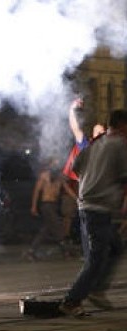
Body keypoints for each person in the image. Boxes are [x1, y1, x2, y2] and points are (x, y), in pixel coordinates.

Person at [59, 109, 127, 317]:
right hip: (98, 208)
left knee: (116, 247)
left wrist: (92, 181)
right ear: (123, 127)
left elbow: (77, 168)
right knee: (97, 258)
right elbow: (125, 177)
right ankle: (72, 300)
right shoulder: (120, 146)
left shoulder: (95, 144)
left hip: (88, 206)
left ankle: (96, 289)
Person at [63, 98, 106, 244]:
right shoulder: (86, 146)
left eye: (104, 131)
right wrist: (72, 109)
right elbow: (75, 127)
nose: (102, 134)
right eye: (99, 131)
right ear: (93, 135)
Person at [24, 159, 73, 260]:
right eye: (53, 165)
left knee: (46, 229)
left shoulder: (60, 178)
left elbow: (67, 189)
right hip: (46, 205)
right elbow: (37, 191)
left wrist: (77, 199)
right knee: (58, 227)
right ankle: (66, 251)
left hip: (54, 205)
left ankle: (31, 251)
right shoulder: (44, 176)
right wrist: (33, 206)